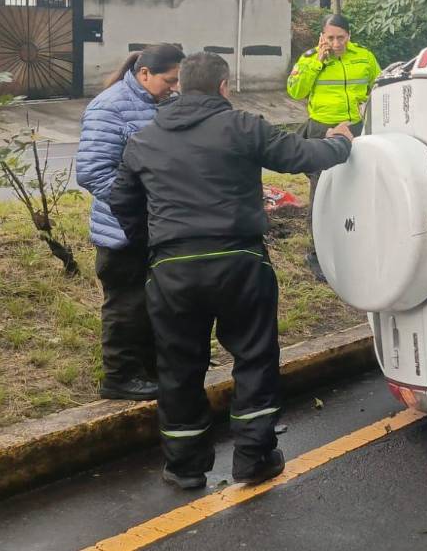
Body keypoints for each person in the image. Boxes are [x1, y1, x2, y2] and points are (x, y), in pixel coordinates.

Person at [110, 52, 355, 489]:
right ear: (224, 86)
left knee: (179, 367)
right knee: (254, 358)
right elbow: (300, 155)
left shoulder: (144, 139)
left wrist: (153, 244)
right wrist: (340, 142)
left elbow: (121, 201)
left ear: (180, 86)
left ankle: (184, 468)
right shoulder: (244, 126)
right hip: (240, 262)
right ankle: (254, 458)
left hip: (173, 269)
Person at [77, 44, 185, 401]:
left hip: (156, 225)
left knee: (151, 301)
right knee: (125, 305)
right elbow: (92, 171)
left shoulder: (161, 104)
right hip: (123, 230)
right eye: (169, 80)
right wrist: (134, 208)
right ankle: (120, 377)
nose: (174, 87)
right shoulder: (109, 107)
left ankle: (149, 368)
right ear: (144, 75)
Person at [286, 14, 380, 280]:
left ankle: (357, 244)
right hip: (321, 131)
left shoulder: (364, 57)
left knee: (358, 188)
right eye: (330, 38)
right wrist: (318, 63)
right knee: (322, 193)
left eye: (341, 37)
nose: (336, 43)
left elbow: (378, 84)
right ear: (322, 37)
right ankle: (318, 256)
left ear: (349, 36)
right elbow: (295, 91)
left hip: (356, 129)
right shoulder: (309, 59)